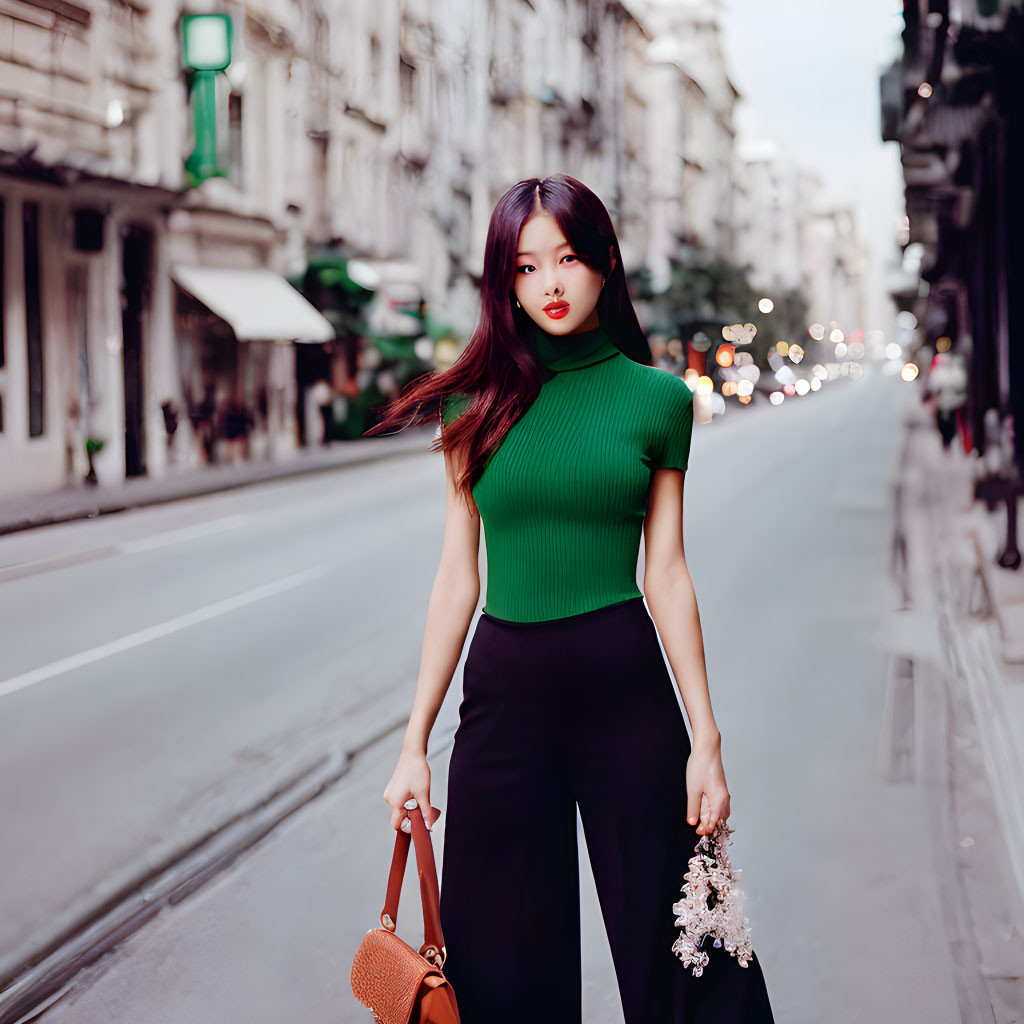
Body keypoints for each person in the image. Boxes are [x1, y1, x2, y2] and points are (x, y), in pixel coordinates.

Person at [364, 174, 776, 1023]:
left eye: (568, 259)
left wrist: (707, 741)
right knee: (500, 963)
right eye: (524, 267)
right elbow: (456, 578)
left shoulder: (657, 401)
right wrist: (413, 744)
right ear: (503, 282)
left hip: (623, 684)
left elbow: (665, 573)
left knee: (682, 946)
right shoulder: (471, 406)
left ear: (606, 263)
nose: (549, 284)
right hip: (505, 694)